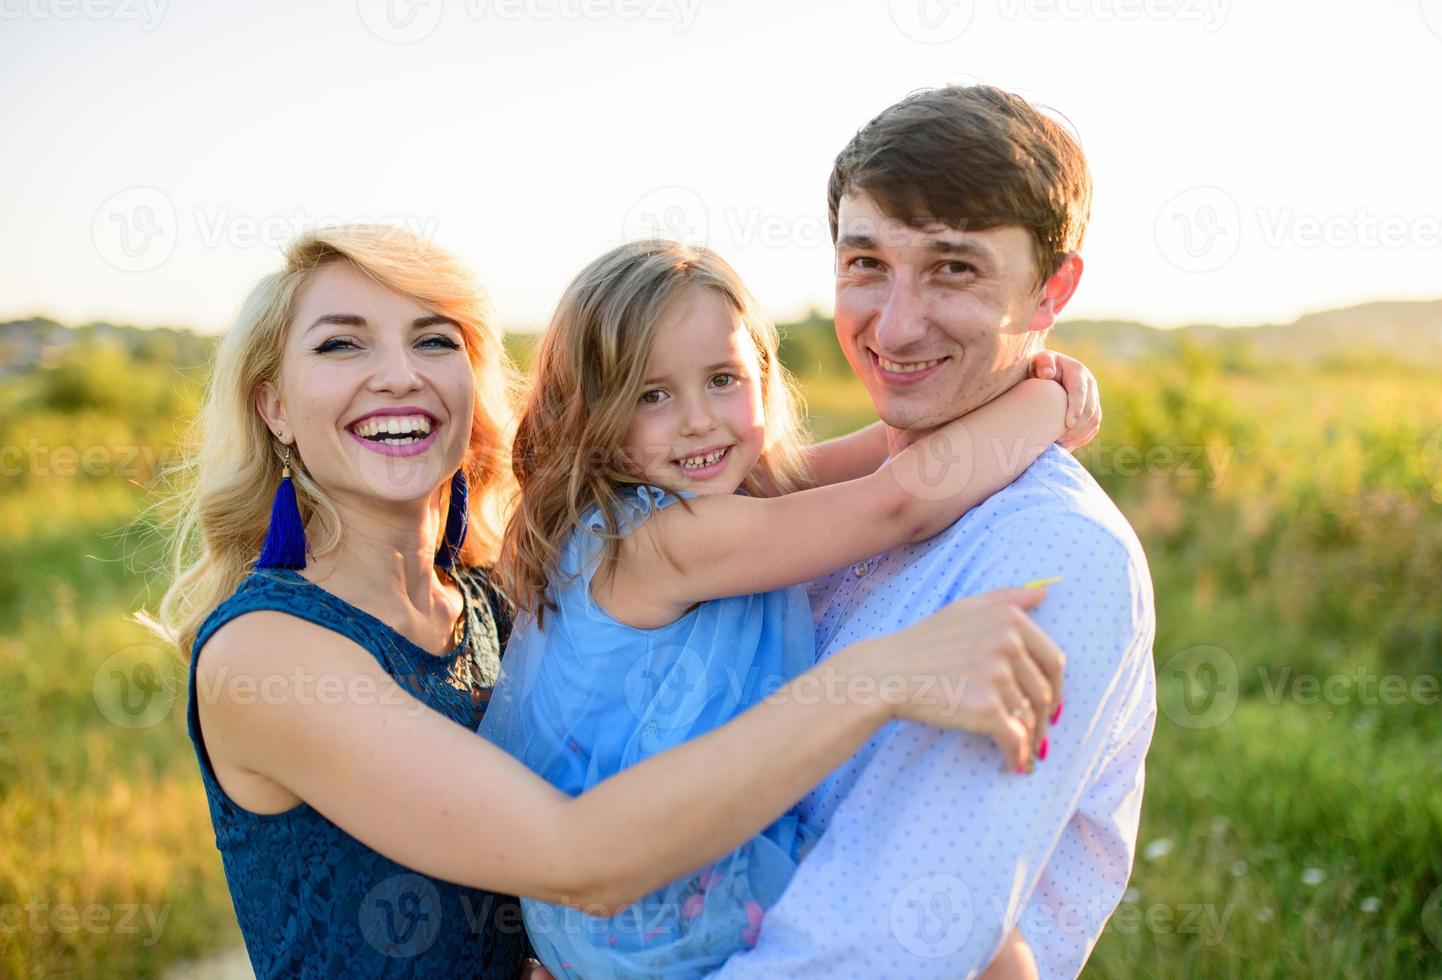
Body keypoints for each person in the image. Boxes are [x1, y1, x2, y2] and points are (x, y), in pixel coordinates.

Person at [139, 223, 1085, 978]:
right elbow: (580, 855)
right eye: (342, 344)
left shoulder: (486, 598)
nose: (399, 372)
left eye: (434, 340)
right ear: (272, 404)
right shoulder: (269, 655)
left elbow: (857, 471)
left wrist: (1027, 379)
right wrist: (877, 677)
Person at [481, 239, 1100, 978]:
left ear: (763, 375)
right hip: (648, 906)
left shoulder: (719, 490)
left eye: (722, 379)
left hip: (668, 872)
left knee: (989, 946)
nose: (698, 421)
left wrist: (1023, 373)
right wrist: (1052, 403)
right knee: (984, 948)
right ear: (590, 413)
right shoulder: (656, 538)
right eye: (652, 395)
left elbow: (892, 449)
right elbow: (897, 503)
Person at [716, 84, 1159, 979]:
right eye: (867, 263)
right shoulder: (821, 501)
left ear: (1052, 289)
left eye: (954, 268)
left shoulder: (1053, 557)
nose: (897, 323)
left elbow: (877, 950)